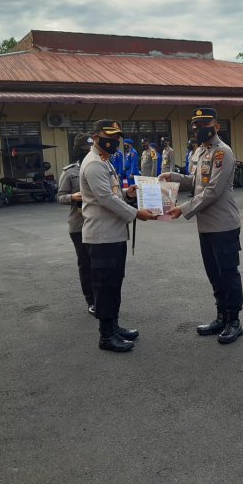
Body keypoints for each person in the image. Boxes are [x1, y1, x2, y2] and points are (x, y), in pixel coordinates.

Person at [162, 108, 243, 344]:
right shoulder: (200, 151)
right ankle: (221, 316)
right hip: (206, 225)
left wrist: (183, 208)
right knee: (214, 273)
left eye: (204, 125)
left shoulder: (223, 152)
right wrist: (173, 177)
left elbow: (213, 191)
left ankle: (234, 321)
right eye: (196, 125)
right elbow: (196, 182)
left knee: (228, 273)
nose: (199, 129)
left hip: (223, 225)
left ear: (216, 126)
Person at [80, 119, 157, 352]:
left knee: (113, 283)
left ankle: (113, 326)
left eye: (116, 137)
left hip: (112, 234)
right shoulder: (94, 163)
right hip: (102, 236)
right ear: (96, 137)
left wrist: (127, 192)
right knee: (105, 286)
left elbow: (111, 192)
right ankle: (106, 336)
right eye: (109, 136)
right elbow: (105, 199)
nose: (114, 141)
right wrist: (136, 213)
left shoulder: (104, 161)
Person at [58, 133, 95, 315]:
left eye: (90, 148)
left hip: (98, 224)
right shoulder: (70, 172)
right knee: (86, 264)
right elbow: (59, 196)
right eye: (84, 149)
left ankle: (102, 298)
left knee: (101, 265)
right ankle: (91, 300)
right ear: (77, 151)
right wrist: (72, 196)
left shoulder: (100, 166)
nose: (88, 152)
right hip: (79, 225)